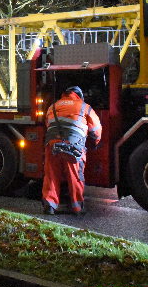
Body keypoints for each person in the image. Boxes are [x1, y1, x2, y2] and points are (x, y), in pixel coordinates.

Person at [41, 86, 102, 215]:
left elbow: (48, 124)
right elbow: (96, 129)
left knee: (51, 175)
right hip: (73, 146)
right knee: (75, 176)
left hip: (52, 144)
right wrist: (95, 143)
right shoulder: (84, 107)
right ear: (79, 95)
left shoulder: (53, 106)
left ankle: (50, 206)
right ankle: (77, 207)